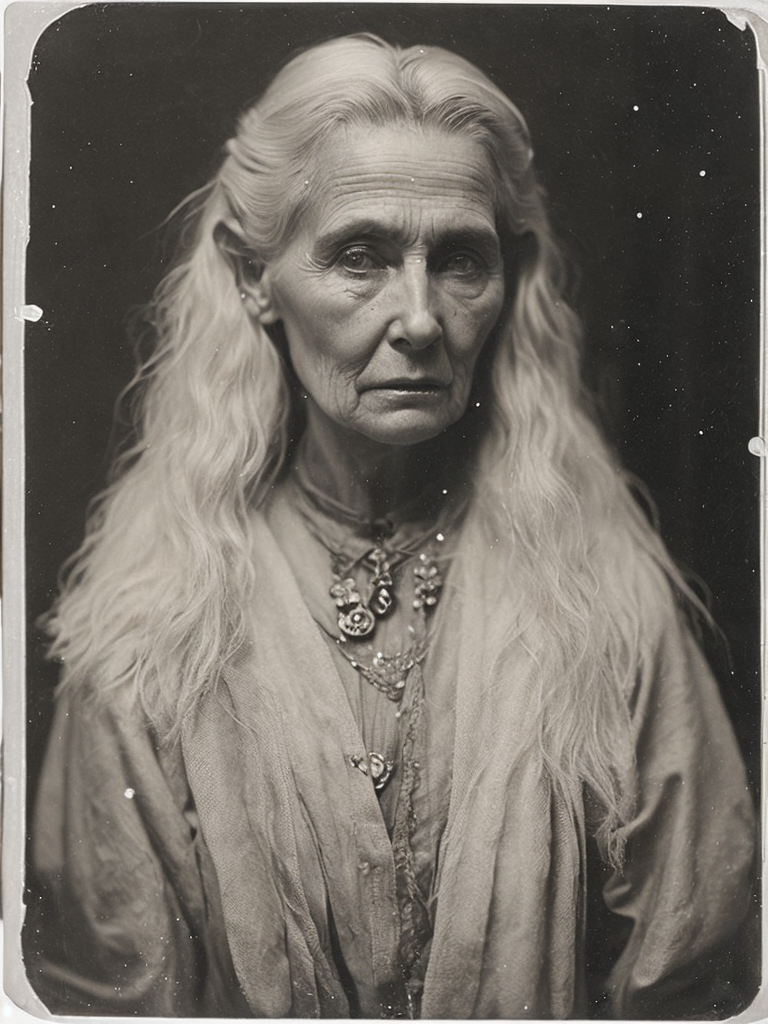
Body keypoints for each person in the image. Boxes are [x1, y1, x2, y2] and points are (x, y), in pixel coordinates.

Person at [24, 33, 755, 1020]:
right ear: (253, 275)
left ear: (509, 278)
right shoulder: (148, 624)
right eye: (360, 257)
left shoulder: (607, 599)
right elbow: (110, 988)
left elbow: (694, 968)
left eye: (460, 261)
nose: (419, 318)